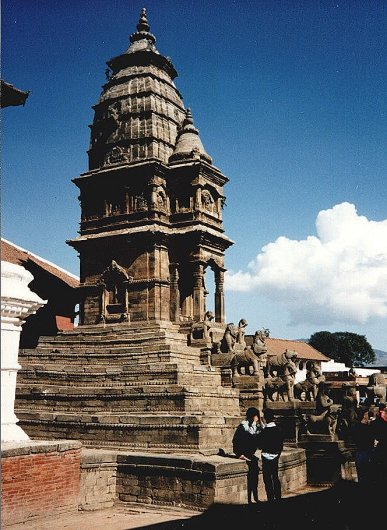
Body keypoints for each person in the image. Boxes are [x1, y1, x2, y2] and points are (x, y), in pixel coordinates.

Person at [232, 407, 264, 504]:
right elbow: (236, 441)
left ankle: (255, 497)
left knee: (255, 473)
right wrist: (240, 454)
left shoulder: (255, 426)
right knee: (253, 473)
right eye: (257, 416)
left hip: (251, 453)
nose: (258, 418)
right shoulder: (243, 426)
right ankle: (251, 498)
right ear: (254, 416)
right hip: (243, 452)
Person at [260, 409, 284, 502]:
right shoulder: (279, 430)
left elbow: (260, 445)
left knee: (267, 479)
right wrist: (277, 455)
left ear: (265, 418)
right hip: (275, 456)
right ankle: (278, 498)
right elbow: (280, 446)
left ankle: (270, 499)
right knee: (275, 477)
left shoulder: (264, 431)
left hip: (265, 456)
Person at [350, 408, 375, 486]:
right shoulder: (364, 427)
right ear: (364, 415)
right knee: (365, 474)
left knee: (364, 474)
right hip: (364, 451)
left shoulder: (357, 426)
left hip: (363, 451)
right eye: (367, 414)